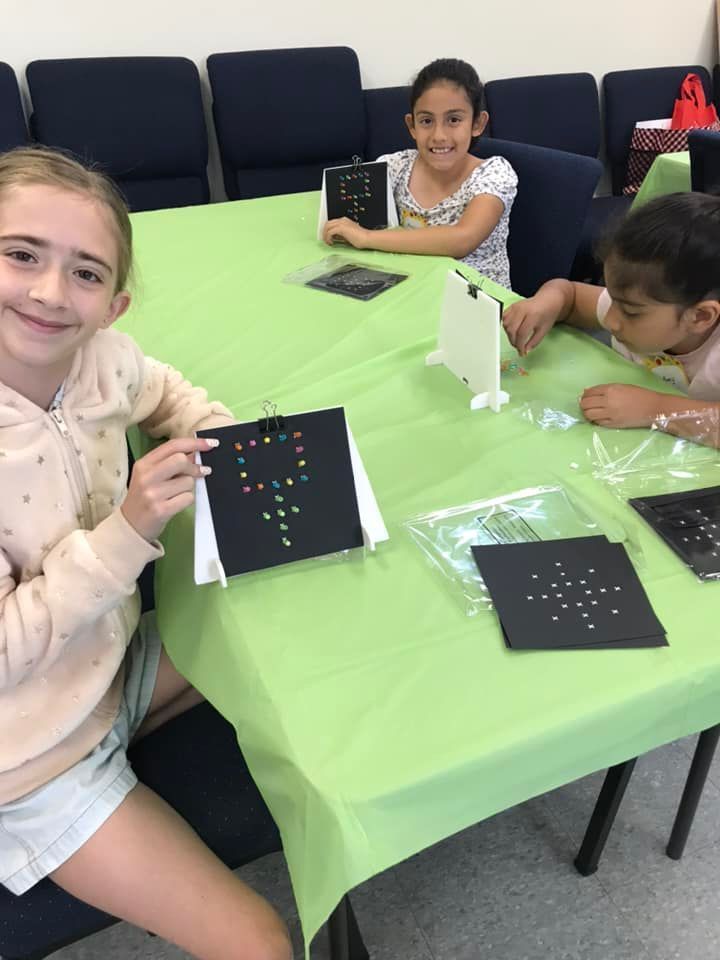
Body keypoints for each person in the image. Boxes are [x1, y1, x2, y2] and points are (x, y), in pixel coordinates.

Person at [0, 147, 291, 960]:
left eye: (86, 274)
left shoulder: (104, 360)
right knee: (260, 942)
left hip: (109, 669)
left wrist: (224, 439)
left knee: (276, 605)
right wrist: (127, 532)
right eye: (21, 255)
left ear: (115, 304)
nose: (51, 293)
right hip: (27, 761)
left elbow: (167, 392)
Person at [503, 192, 720, 444]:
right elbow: (570, 296)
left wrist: (655, 408)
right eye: (613, 298)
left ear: (701, 316)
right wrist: (545, 303)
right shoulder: (648, 300)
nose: (611, 320)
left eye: (630, 312)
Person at [323, 58, 517, 288]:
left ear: (477, 123)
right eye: (426, 121)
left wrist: (366, 238)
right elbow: (346, 213)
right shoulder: (395, 166)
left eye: (453, 120)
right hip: (414, 293)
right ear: (411, 125)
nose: (439, 135)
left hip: (477, 305)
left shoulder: (494, 174)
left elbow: (462, 239)